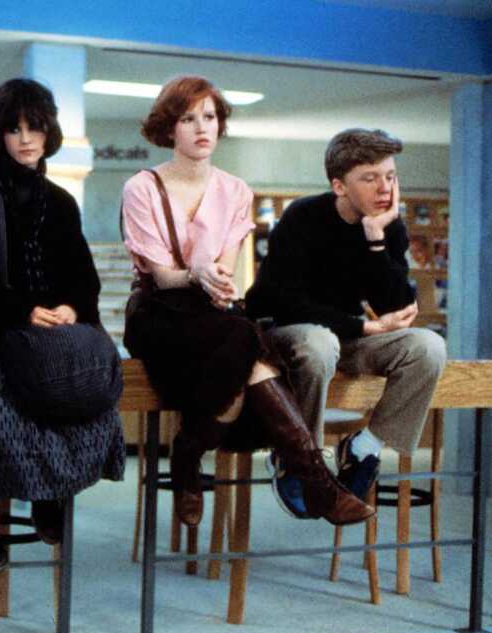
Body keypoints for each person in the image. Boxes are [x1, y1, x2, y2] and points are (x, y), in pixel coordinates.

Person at [121, 76, 374, 528]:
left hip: (211, 313)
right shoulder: (142, 187)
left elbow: (224, 270)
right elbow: (161, 276)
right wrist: (196, 274)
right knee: (247, 347)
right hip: (158, 311)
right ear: (169, 128)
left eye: (210, 117)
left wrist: (213, 281)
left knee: (241, 349)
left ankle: (191, 455)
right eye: (188, 118)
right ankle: (314, 480)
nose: (202, 127)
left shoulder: (236, 190)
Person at [0, 79, 125, 571]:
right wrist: (20, 310)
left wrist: (71, 308)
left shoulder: (60, 201)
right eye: (14, 128)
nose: (25, 139)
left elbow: (83, 277)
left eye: (34, 127)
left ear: (48, 132)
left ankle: (51, 491)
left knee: (85, 390)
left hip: (47, 339)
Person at [246, 128, 446, 515]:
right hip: (290, 333)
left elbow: (397, 306)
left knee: (429, 347)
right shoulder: (302, 216)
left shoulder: (388, 225)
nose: (384, 188)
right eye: (370, 178)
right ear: (339, 186)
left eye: (390, 176)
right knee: (320, 342)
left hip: (346, 338)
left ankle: (364, 448)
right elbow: (282, 301)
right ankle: (298, 458)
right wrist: (364, 327)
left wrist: (376, 240)